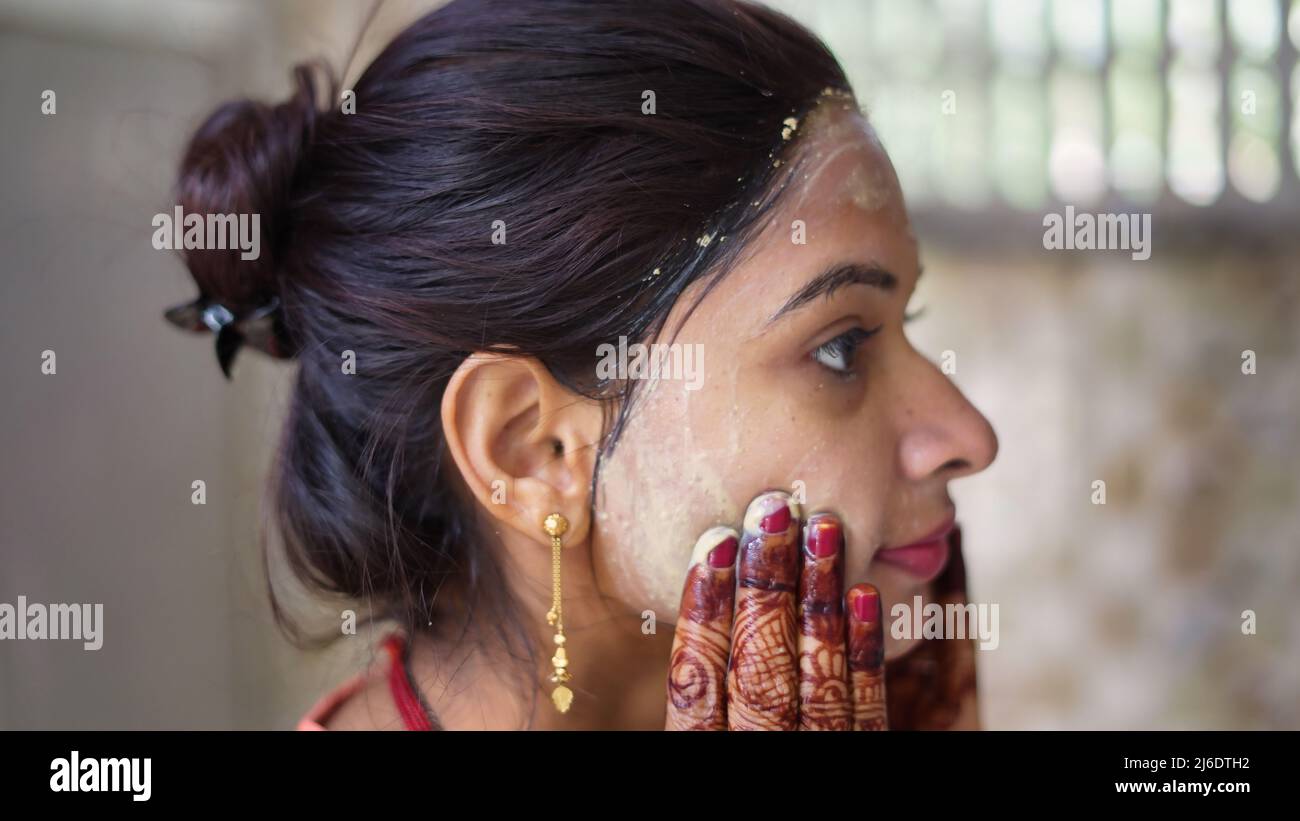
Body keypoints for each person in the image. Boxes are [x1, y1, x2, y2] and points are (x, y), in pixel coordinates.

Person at [165, 0, 998, 730]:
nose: (969, 434)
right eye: (840, 345)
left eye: (907, 319)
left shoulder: (865, 689)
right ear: (533, 449)